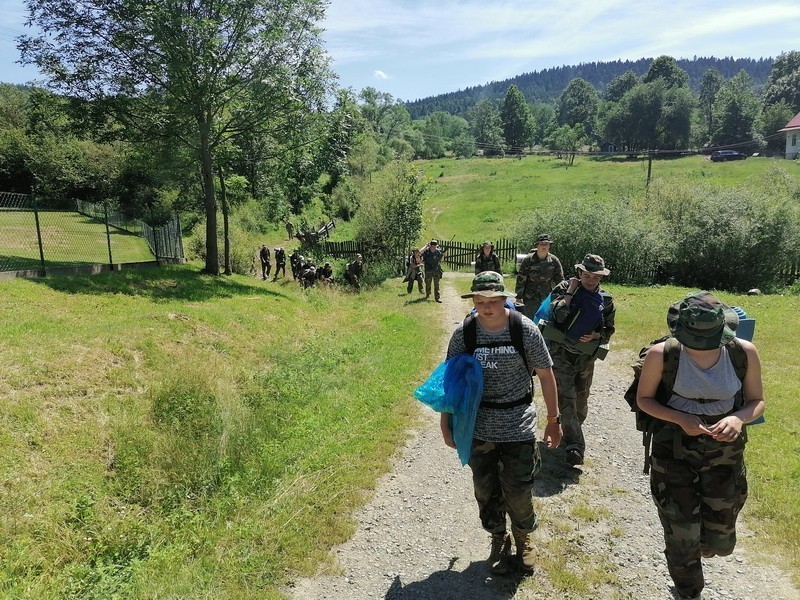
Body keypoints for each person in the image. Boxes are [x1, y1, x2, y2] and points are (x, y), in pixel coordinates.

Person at [636, 292, 764, 600]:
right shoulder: (661, 354)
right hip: (674, 453)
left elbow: (757, 401)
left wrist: (738, 419)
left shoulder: (743, 352)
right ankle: (688, 591)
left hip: (725, 455)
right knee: (682, 535)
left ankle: (704, 545)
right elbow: (645, 400)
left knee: (720, 543)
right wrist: (680, 417)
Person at [442, 271, 562, 575]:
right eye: (480, 301)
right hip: (477, 425)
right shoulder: (464, 333)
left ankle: (523, 538)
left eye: (493, 300)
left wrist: (554, 419)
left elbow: (546, 375)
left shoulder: (524, 330)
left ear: (504, 298)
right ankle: (498, 537)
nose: (486, 307)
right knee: (485, 489)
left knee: (519, 489)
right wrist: (447, 421)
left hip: (517, 424)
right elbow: (451, 381)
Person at [544, 254, 615, 467]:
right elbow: (558, 316)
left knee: (581, 399)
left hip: (585, 357)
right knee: (567, 397)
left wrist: (595, 336)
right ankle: (575, 446)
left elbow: (609, 329)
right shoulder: (564, 289)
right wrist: (569, 292)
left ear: (601, 277)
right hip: (560, 354)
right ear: (579, 273)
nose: (590, 280)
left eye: (595, 276)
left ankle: (570, 432)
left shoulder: (607, 300)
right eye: (586, 275)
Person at [515, 234, 564, 320]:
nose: (544, 246)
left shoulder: (554, 260)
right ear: (537, 245)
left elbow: (560, 279)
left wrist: (562, 295)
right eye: (541, 244)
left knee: (543, 320)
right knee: (529, 319)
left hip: (546, 296)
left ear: (549, 246)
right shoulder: (528, 260)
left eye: (546, 244)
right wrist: (519, 296)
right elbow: (521, 278)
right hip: (530, 297)